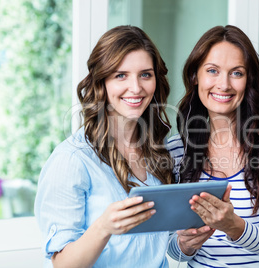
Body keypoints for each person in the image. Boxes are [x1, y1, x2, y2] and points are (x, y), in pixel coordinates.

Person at [35, 25, 179, 267]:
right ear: (101, 83)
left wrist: (187, 242)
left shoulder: (157, 150)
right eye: (120, 75)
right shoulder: (72, 159)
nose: (136, 88)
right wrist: (103, 227)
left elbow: (154, 247)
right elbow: (64, 264)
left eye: (145, 74)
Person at [167, 25, 259, 267]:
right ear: (195, 76)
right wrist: (185, 244)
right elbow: (172, 248)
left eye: (236, 73)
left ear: (249, 80)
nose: (224, 85)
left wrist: (233, 225)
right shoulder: (176, 149)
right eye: (212, 71)